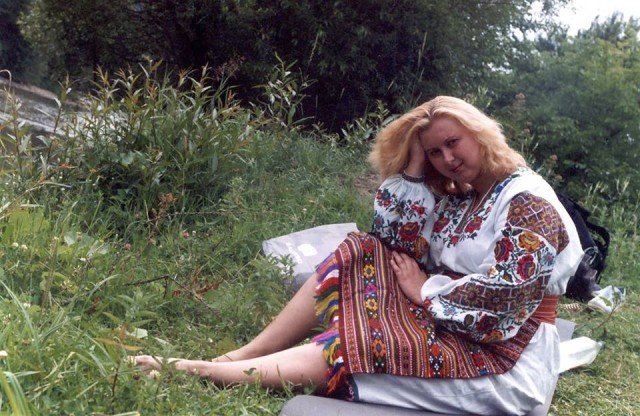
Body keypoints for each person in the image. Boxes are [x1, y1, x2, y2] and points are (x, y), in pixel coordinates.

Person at [134, 96, 583, 415]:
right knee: (363, 250)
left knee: (365, 343)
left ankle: (202, 372)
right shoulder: (469, 194)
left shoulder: (528, 202)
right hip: (454, 319)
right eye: (434, 152)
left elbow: (503, 300)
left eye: (454, 142)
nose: (447, 158)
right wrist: (412, 165)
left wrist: (425, 290)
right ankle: (243, 355)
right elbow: (391, 240)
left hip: (506, 358)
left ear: (480, 134)